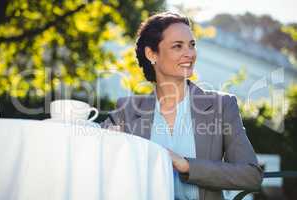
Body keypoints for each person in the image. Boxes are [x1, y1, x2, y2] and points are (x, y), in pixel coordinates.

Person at [101, 12, 263, 200]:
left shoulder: (222, 106)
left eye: (192, 45)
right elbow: (95, 154)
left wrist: (186, 165)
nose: (190, 54)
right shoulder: (127, 110)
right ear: (151, 53)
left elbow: (251, 175)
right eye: (178, 46)